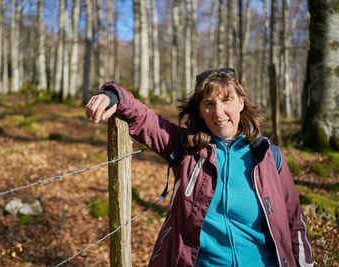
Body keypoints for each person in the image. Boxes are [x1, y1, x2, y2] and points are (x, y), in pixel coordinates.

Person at [85, 68, 314, 267]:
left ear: (241, 103)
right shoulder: (187, 148)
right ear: (200, 111)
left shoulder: (268, 157)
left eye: (227, 101)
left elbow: (295, 222)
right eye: (209, 104)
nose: (219, 112)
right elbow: (145, 120)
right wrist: (112, 95)